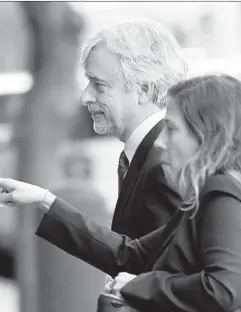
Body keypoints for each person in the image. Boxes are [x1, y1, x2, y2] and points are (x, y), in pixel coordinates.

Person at [0, 74, 241, 312]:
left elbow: (223, 289)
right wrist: (43, 200)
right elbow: (127, 254)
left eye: (172, 130)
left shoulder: (222, 195)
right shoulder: (207, 198)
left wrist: (141, 285)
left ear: (206, 138)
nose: (161, 141)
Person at [79, 19, 186, 241]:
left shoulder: (162, 165)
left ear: (143, 90)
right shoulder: (146, 155)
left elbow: (174, 265)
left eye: (99, 85)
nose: (86, 97)